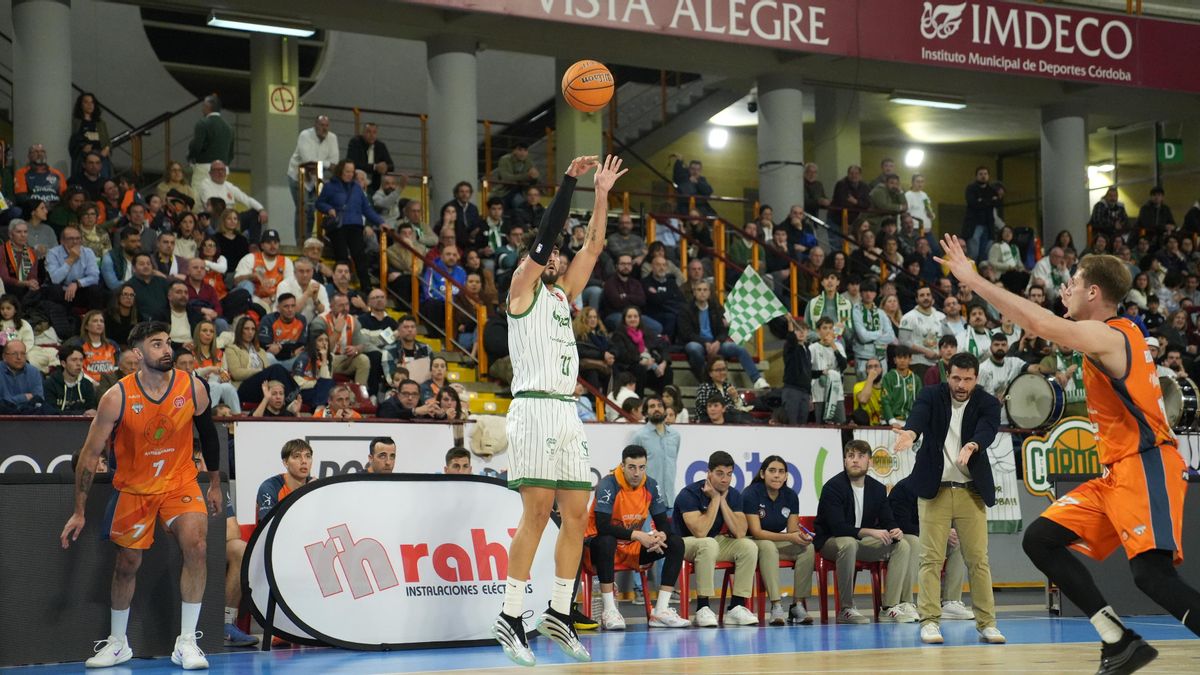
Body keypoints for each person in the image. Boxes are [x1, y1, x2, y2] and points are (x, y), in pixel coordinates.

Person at [938, 235, 1200, 671]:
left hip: (1146, 463)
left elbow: (1040, 325)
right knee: (1040, 539)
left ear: (1095, 292)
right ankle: (1117, 639)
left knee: (1151, 576)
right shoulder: (1107, 334)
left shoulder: (1111, 335)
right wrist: (1069, 309)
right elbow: (1060, 328)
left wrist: (973, 280)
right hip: (1116, 473)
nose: (1067, 288)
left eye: (1074, 283)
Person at [491, 154, 624, 667]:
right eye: (548, 255)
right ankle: (510, 615)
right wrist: (568, 179)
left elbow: (593, 243)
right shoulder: (521, 291)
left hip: (568, 413)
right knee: (536, 512)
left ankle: (558, 612)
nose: (557, 259)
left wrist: (602, 192)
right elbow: (549, 237)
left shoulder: (563, 296)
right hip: (532, 410)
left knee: (577, 517)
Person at [59, 321, 222, 669]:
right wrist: (79, 510)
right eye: (157, 344)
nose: (166, 351)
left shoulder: (192, 387)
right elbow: (89, 456)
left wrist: (215, 483)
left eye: (168, 344)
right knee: (127, 564)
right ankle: (118, 643)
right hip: (135, 488)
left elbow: (208, 434)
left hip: (180, 481)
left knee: (197, 544)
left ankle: (188, 642)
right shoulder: (116, 397)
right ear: (138, 353)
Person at [893, 351, 1005, 645]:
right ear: (947, 374)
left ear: (976, 379)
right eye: (956, 377)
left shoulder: (987, 403)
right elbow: (918, 416)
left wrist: (972, 445)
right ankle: (929, 621)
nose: (961, 384)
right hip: (935, 491)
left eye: (968, 379)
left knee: (979, 560)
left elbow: (988, 429)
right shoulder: (932, 395)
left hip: (971, 491)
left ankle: (987, 623)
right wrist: (911, 433)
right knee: (930, 558)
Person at [583, 444, 690, 631]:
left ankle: (661, 610)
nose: (637, 473)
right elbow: (603, 526)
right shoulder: (608, 484)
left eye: (642, 467)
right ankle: (610, 610)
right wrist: (637, 535)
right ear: (622, 466)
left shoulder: (650, 485)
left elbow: (663, 521)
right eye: (632, 467)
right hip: (597, 548)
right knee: (607, 541)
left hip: (630, 547)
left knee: (675, 543)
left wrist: (660, 534)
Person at [814, 439, 913, 625]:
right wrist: (869, 532)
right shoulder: (833, 487)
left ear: (870, 462)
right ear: (844, 461)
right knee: (849, 543)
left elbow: (887, 518)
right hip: (831, 542)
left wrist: (895, 530)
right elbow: (838, 527)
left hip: (861, 543)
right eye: (850, 456)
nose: (855, 460)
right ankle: (846, 608)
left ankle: (889, 607)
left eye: (861, 456)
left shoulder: (877, 488)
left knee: (902, 545)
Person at [672, 450, 759, 627]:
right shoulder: (689, 494)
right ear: (709, 472)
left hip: (712, 543)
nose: (725, 479)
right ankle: (702, 608)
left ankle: (736, 607)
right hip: (684, 544)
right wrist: (714, 500)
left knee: (748, 546)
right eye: (719, 474)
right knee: (708, 542)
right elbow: (700, 532)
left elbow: (740, 532)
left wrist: (722, 500)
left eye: (729, 474)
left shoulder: (733, 495)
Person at [888, 475, 974, 622]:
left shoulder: (943, 491)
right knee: (913, 542)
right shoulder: (903, 489)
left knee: (958, 541)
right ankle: (905, 602)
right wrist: (939, 531)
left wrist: (948, 531)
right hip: (908, 537)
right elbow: (902, 525)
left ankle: (950, 602)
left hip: (932, 539)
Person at [743, 455, 816, 626]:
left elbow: (791, 530)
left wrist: (800, 536)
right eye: (772, 471)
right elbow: (757, 532)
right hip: (751, 543)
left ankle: (797, 605)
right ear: (762, 474)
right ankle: (776, 606)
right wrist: (790, 536)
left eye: (781, 472)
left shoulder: (790, 495)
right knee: (768, 546)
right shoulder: (751, 493)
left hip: (775, 541)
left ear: (786, 476)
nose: (777, 475)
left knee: (807, 548)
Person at [678, 280, 770, 389]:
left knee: (739, 348)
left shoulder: (716, 308)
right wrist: (705, 343)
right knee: (693, 348)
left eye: (705, 290)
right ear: (694, 293)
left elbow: (724, 330)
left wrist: (718, 341)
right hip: (697, 342)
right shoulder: (686, 309)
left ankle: (757, 380)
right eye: (699, 290)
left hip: (716, 343)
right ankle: (707, 381)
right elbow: (686, 333)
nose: (702, 292)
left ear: (709, 293)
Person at [315, 160, 384, 292]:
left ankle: (366, 287)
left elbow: (367, 209)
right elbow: (319, 203)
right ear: (341, 171)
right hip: (338, 226)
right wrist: (329, 209)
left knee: (359, 256)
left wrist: (380, 222)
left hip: (355, 225)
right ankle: (340, 285)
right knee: (341, 256)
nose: (350, 174)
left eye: (352, 172)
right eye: (347, 171)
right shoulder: (330, 186)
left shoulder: (357, 188)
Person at [288, 116, 339, 234]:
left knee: (312, 210)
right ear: (315, 125)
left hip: (317, 178)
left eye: (326, 125)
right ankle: (300, 242)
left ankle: (309, 239)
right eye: (322, 125)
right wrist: (326, 164)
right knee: (303, 209)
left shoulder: (332, 138)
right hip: (297, 176)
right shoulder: (305, 135)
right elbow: (308, 161)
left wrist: (320, 164)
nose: (324, 128)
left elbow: (335, 163)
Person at [631, 396, 681, 509]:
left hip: (670, 501)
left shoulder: (675, 436)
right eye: (652, 406)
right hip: (646, 502)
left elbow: (672, 462)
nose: (656, 409)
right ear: (646, 412)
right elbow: (631, 468)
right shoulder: (639, 436)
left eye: (659, 406)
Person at [255, 439, 313, 522]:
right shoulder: (270, 487)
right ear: (285, 462)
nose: (304, 461)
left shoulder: (316, 486)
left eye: (308, 456)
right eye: (297, 456)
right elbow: (269, 526)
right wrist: (303, 494)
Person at [810, 317, 847, 424]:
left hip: (837, 393)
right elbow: (808, 371)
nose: (828, 331)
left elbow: (843, 366)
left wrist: (833, 346)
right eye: (824, 328)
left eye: (830, 328)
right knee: (821, 425)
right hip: (819, 393)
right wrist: (821, 372)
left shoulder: (838, 346)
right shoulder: (813, 348)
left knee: (840, 424)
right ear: (818, 331)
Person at [962, 166, 1003, 260]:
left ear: (988, 176)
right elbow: (973, 203)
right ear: (976, 176)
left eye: (985, 174)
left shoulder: (991, 190)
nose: (983, 176)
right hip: (974, 225)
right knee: (973, 253)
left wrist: (982, 200)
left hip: (988, 226)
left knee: (985, 254)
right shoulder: (971, 188)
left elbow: (997, 203)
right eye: (981, 174)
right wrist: (989, 201)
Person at [45, 343, 98, 414]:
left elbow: (92, 410)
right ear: (63, 363)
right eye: (74, 360)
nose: (79, 363)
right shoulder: (50, 384)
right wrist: (82, 414)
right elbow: (50, 412)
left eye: (81, 360)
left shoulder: (87, 384)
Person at [782, 318, 813, 424]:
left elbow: (807, 373)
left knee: (802, 425)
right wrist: (790, 323)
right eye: (798, 329)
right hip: (792, 391)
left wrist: (809, 395)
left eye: (804, 329)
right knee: (792, 424)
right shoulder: (791, 347)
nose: (801, 332)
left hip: (804, 392)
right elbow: (791, 339)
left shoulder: (807, 349)